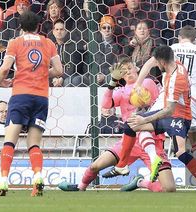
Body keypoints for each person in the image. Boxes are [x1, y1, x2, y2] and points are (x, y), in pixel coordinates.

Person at [58, 56, 176, 192]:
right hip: (129, 142)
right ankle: (81, 187)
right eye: (124, 71)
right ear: (121, 76)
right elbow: (105, 105)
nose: (128, 72)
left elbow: (155, 101)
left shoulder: (148, 82)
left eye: (130, 69)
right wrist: (112, 82)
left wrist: (142, 99)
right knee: (95, 166)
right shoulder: (121, 92)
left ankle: (140, 182)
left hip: (152, 141)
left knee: (169, 188)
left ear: (137, 68)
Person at [108, 46, 196, 191]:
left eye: (158, 63)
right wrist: (138, 85)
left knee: (181, 153)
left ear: (163, 62)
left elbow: (169, 110)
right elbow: (148, 64)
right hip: (170, 114)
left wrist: (145, 120)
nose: (157, 66)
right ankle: (122, 165)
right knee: (130, 125)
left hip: (179, 118)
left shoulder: (176, 80)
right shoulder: (175, 64)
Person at [0, 10, 63, 197]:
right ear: (38, 26)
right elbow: (59, 70)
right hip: (41, 98)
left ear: (20, 27)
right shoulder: (48, 43)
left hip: (20, 95)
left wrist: (1, 81)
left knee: (10, 140)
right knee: (34, 143)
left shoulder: (15, 43)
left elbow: (5, 68)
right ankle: (38, 177)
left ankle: (2, 182)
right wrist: (40, 74)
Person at [171, 25, 196, 171]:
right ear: (195, 39)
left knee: (171, 133)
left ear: (179, 36)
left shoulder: (172, 48)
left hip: (172, 96)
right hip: (191, 98)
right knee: (195, 135)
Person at [50, 19, 88, 87]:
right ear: (53, 32)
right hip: (56, 77)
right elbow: (49, 66)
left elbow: (74, 66)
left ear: (66, 31)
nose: (59, 32)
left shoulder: (74, 44)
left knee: (70, 81)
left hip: (74, 75)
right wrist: (54, 78)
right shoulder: (52, 47)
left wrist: (62, 78)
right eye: (57, 29)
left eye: (61, 29)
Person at [94, 15, 122, 86]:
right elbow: (89, 64)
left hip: (108, 76)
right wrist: (96, 75)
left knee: (111, 79)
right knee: (78, 79)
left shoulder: (117, 46)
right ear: (100, 30)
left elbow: (115, 65)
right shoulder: (94, 46)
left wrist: (104, 76)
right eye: (104, 27)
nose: (106, 30)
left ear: (113, 30)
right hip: (94, 76)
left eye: (109, 28)